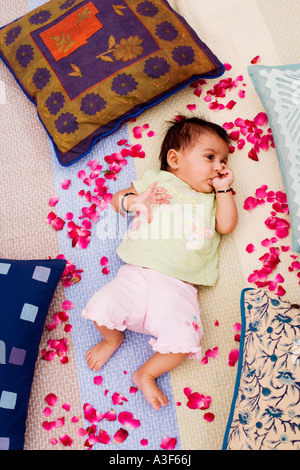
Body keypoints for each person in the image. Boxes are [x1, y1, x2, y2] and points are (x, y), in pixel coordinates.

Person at [82, 117, 238, 410]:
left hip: (178, 289)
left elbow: (227, 226)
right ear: (175, 159)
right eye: (210, 157)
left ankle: (147, 373)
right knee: (101, 308)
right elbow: (117, 200)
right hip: (136, 275)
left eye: (224, 160)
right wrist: (135, 201)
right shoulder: (158, 182)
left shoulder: (214, 199)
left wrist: (224, 190)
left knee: (186, 340)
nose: (220, 166)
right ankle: (111, 340)